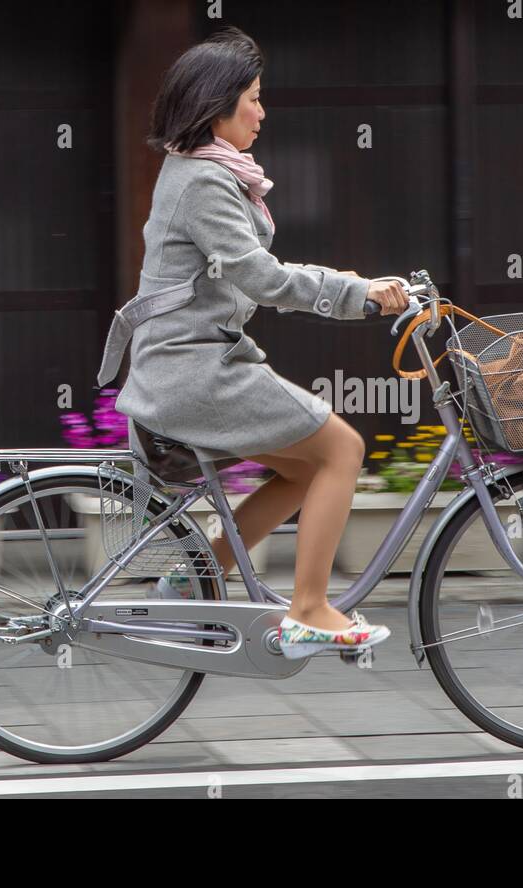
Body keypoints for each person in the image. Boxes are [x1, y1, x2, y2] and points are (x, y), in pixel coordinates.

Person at [108, 26, 409, 659]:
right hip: (194, 369)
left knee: (303, 468)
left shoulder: (205, 172)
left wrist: (348, 280)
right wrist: (353, 296)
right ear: (218, 105)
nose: (262, 112)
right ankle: (310, 609)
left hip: (198, 360)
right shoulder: (203, 180)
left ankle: (196, 581)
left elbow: (247, 270)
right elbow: (261, 277)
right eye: (254, 97)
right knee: (343, 450)